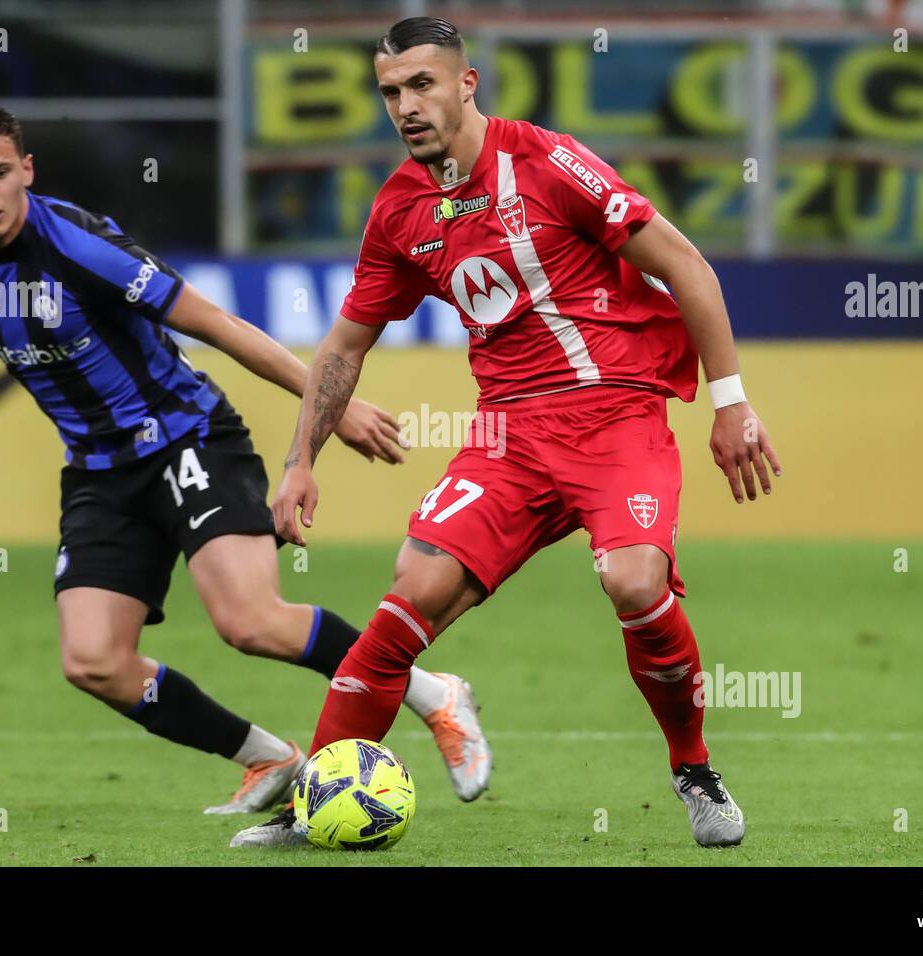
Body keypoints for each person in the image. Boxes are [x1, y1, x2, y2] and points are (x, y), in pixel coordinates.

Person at [237, 17, 781, 848]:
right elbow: (345, 343)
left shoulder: (548, 162)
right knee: (405, 598)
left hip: (616, 412)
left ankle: (694, 769)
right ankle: (317, 800)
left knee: (636, 585)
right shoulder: (399, 211)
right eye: (390, 92)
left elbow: (687, 267)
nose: (406, 106)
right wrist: (300, 460)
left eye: (422, 85)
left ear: (466, 83)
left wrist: (732, 402)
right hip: (509, 438)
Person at [0, 103, 493, 828]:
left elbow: (221, 327)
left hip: (190, 439)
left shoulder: (82, 245)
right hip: (100, 474)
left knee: (253, 622)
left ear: (27, 171)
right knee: (94, 662)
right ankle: (270, 757)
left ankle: (434, 694)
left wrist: (335, 406)